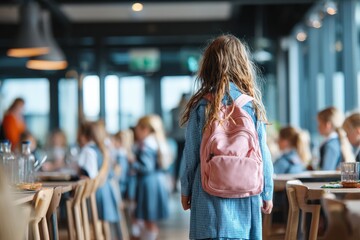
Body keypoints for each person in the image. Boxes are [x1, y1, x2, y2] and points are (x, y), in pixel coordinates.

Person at [180, 34, 273, 239]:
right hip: (245, 193)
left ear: (208, 66)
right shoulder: (251, 105)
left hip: (208, 194)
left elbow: (191, 154)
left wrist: (186, 190)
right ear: (242, 64)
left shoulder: (201, 105)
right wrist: (267, 192)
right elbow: (262, 153)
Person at [76, 121, 120, 238]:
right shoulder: (101, 149)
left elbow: (91, 176)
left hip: (96, 194)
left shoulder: (88, 150)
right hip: (105, 190)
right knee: (102, 225)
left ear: (83, 135)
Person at [131, 115, 170, 240]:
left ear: (145, 129)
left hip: (149, 184)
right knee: (150, 219)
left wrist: (132, 162)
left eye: (137, 128)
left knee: (149, 220)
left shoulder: (146, 144)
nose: (135, 131)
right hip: (157, 182)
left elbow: (146, 168)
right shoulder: (158, 142)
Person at [169, 93, 189, 192]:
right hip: (184, 137)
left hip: (179, 137)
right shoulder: (189, 108)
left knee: (179, 159)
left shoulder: (174, 110)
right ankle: (180, 183)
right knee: (185, 159)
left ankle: (177, 183)